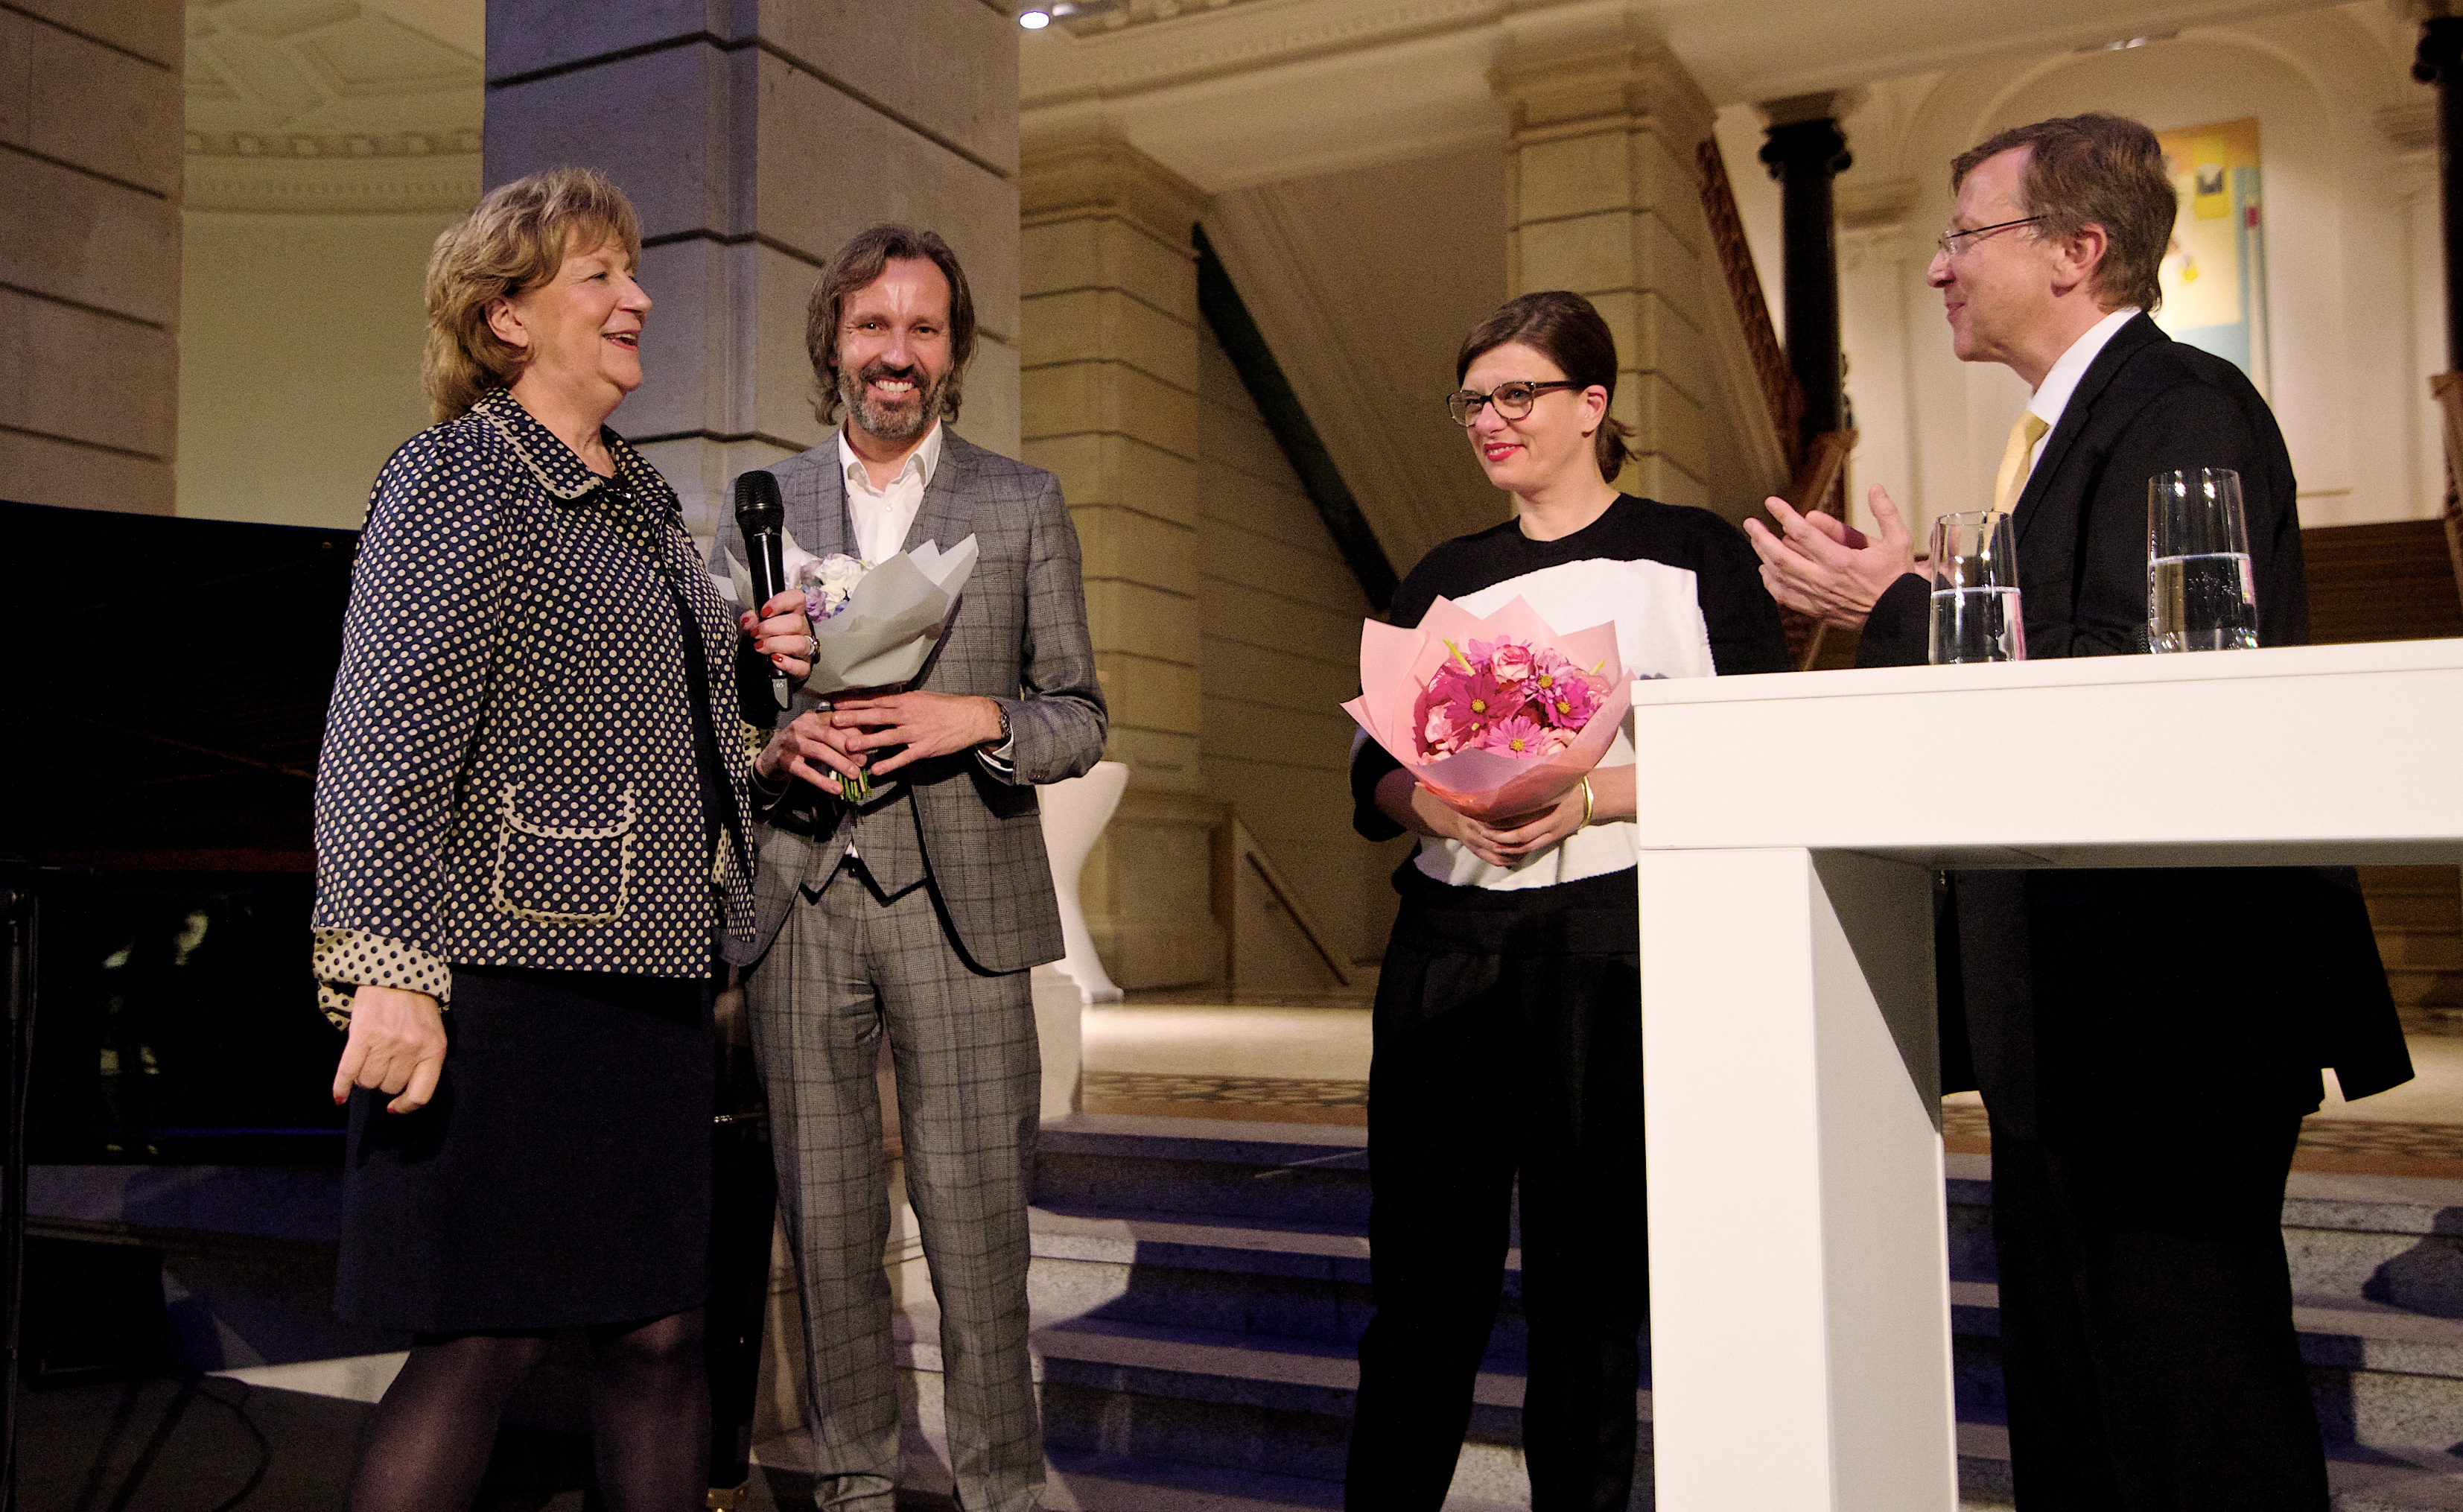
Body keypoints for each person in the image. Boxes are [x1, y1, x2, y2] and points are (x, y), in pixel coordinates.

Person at [1746, 113, 2412, 1511]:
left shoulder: (2181, 405)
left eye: (1963, 234)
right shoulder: (2064, 434)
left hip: (2171, 998)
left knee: (2191, 1409)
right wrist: (1917, 608)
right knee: (2087, 1404)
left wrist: (1902, 607)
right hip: (2075, 997)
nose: (1936, 270)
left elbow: (2153, 684)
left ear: (2077, 250)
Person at [311, 166, 803, 1511]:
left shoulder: (643, 498)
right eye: (599, 275)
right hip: (513, 987)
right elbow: (382, 738)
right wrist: (390, 969)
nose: (637, 296)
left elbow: (644, 723)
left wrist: (756, 683)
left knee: (660, 1333)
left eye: (632, 273)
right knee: (484, 1340)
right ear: (506, 317)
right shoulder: (459, 475)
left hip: (649, 988)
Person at [1344, 290, 1789, 1511]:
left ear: (1592, 405)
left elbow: (1765, 750)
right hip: (1448, 937)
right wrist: (1428, 803)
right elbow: (1369, 771)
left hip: (1615, 939)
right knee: (1424, 1288)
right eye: (1473, 400)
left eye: (1517, 395)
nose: (1490, 419)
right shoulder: (1443, 573)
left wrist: (1594, 798)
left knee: (1588, 1294)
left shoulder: (1695, 552)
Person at [716, 224, 1106, 1512]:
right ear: (834, 339)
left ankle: (1001, 1480)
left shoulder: (1019, 501)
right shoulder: (762, 500)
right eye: (874, 327)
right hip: (802, 895)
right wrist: (775, 741)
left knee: (976, 1218)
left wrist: (975, 718)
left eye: (924, 329)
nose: (898, 352)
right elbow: (721, 709)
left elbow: (1079, 714)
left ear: (955, 350)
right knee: (826, 1222)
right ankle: (853, 1482)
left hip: (965, 906)